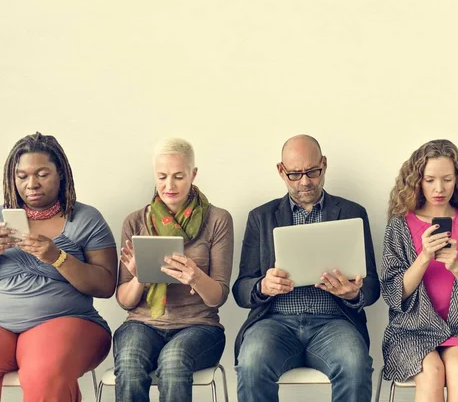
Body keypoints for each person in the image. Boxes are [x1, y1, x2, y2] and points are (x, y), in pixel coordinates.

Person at [233, 134, 380, 402]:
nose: (305, 181)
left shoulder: (352, 212)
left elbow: (372, 286)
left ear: (324, 164)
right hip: (274, 323)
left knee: (355, 364)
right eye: (295, 174)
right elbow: (241, 289)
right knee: (252, 362)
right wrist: (262, 286)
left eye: (313, 171)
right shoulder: (261, 217)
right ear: (281, 171)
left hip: (335, 323)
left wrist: (353, 293)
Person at [381, 139, 458, 402]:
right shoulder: (399, 226)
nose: (439, 189)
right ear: (417, 180)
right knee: (431, 371)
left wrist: (457, 268)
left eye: (447, 179)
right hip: (409, 330)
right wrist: (424, 257)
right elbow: (393, 294)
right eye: (429, 180)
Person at [113, 137, 233, 402]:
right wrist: (141, 277)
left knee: (174, 360)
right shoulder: (135, 222)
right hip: (142, 323)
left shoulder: (217, 220)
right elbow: (124, 300)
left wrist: (196, 277)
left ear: (193, 174)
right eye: (162, 176)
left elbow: (218, 297)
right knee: (131, 363)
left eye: (179, 176)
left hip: (199, 327)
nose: (169, 185)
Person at [0, 132, 117, 401]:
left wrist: (57, 257)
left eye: (42, 174)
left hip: (66, 322)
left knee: (45, 373)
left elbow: (106, 285)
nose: (31, 184)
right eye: (22, 176)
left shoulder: (86, 219)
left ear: (60, 173)